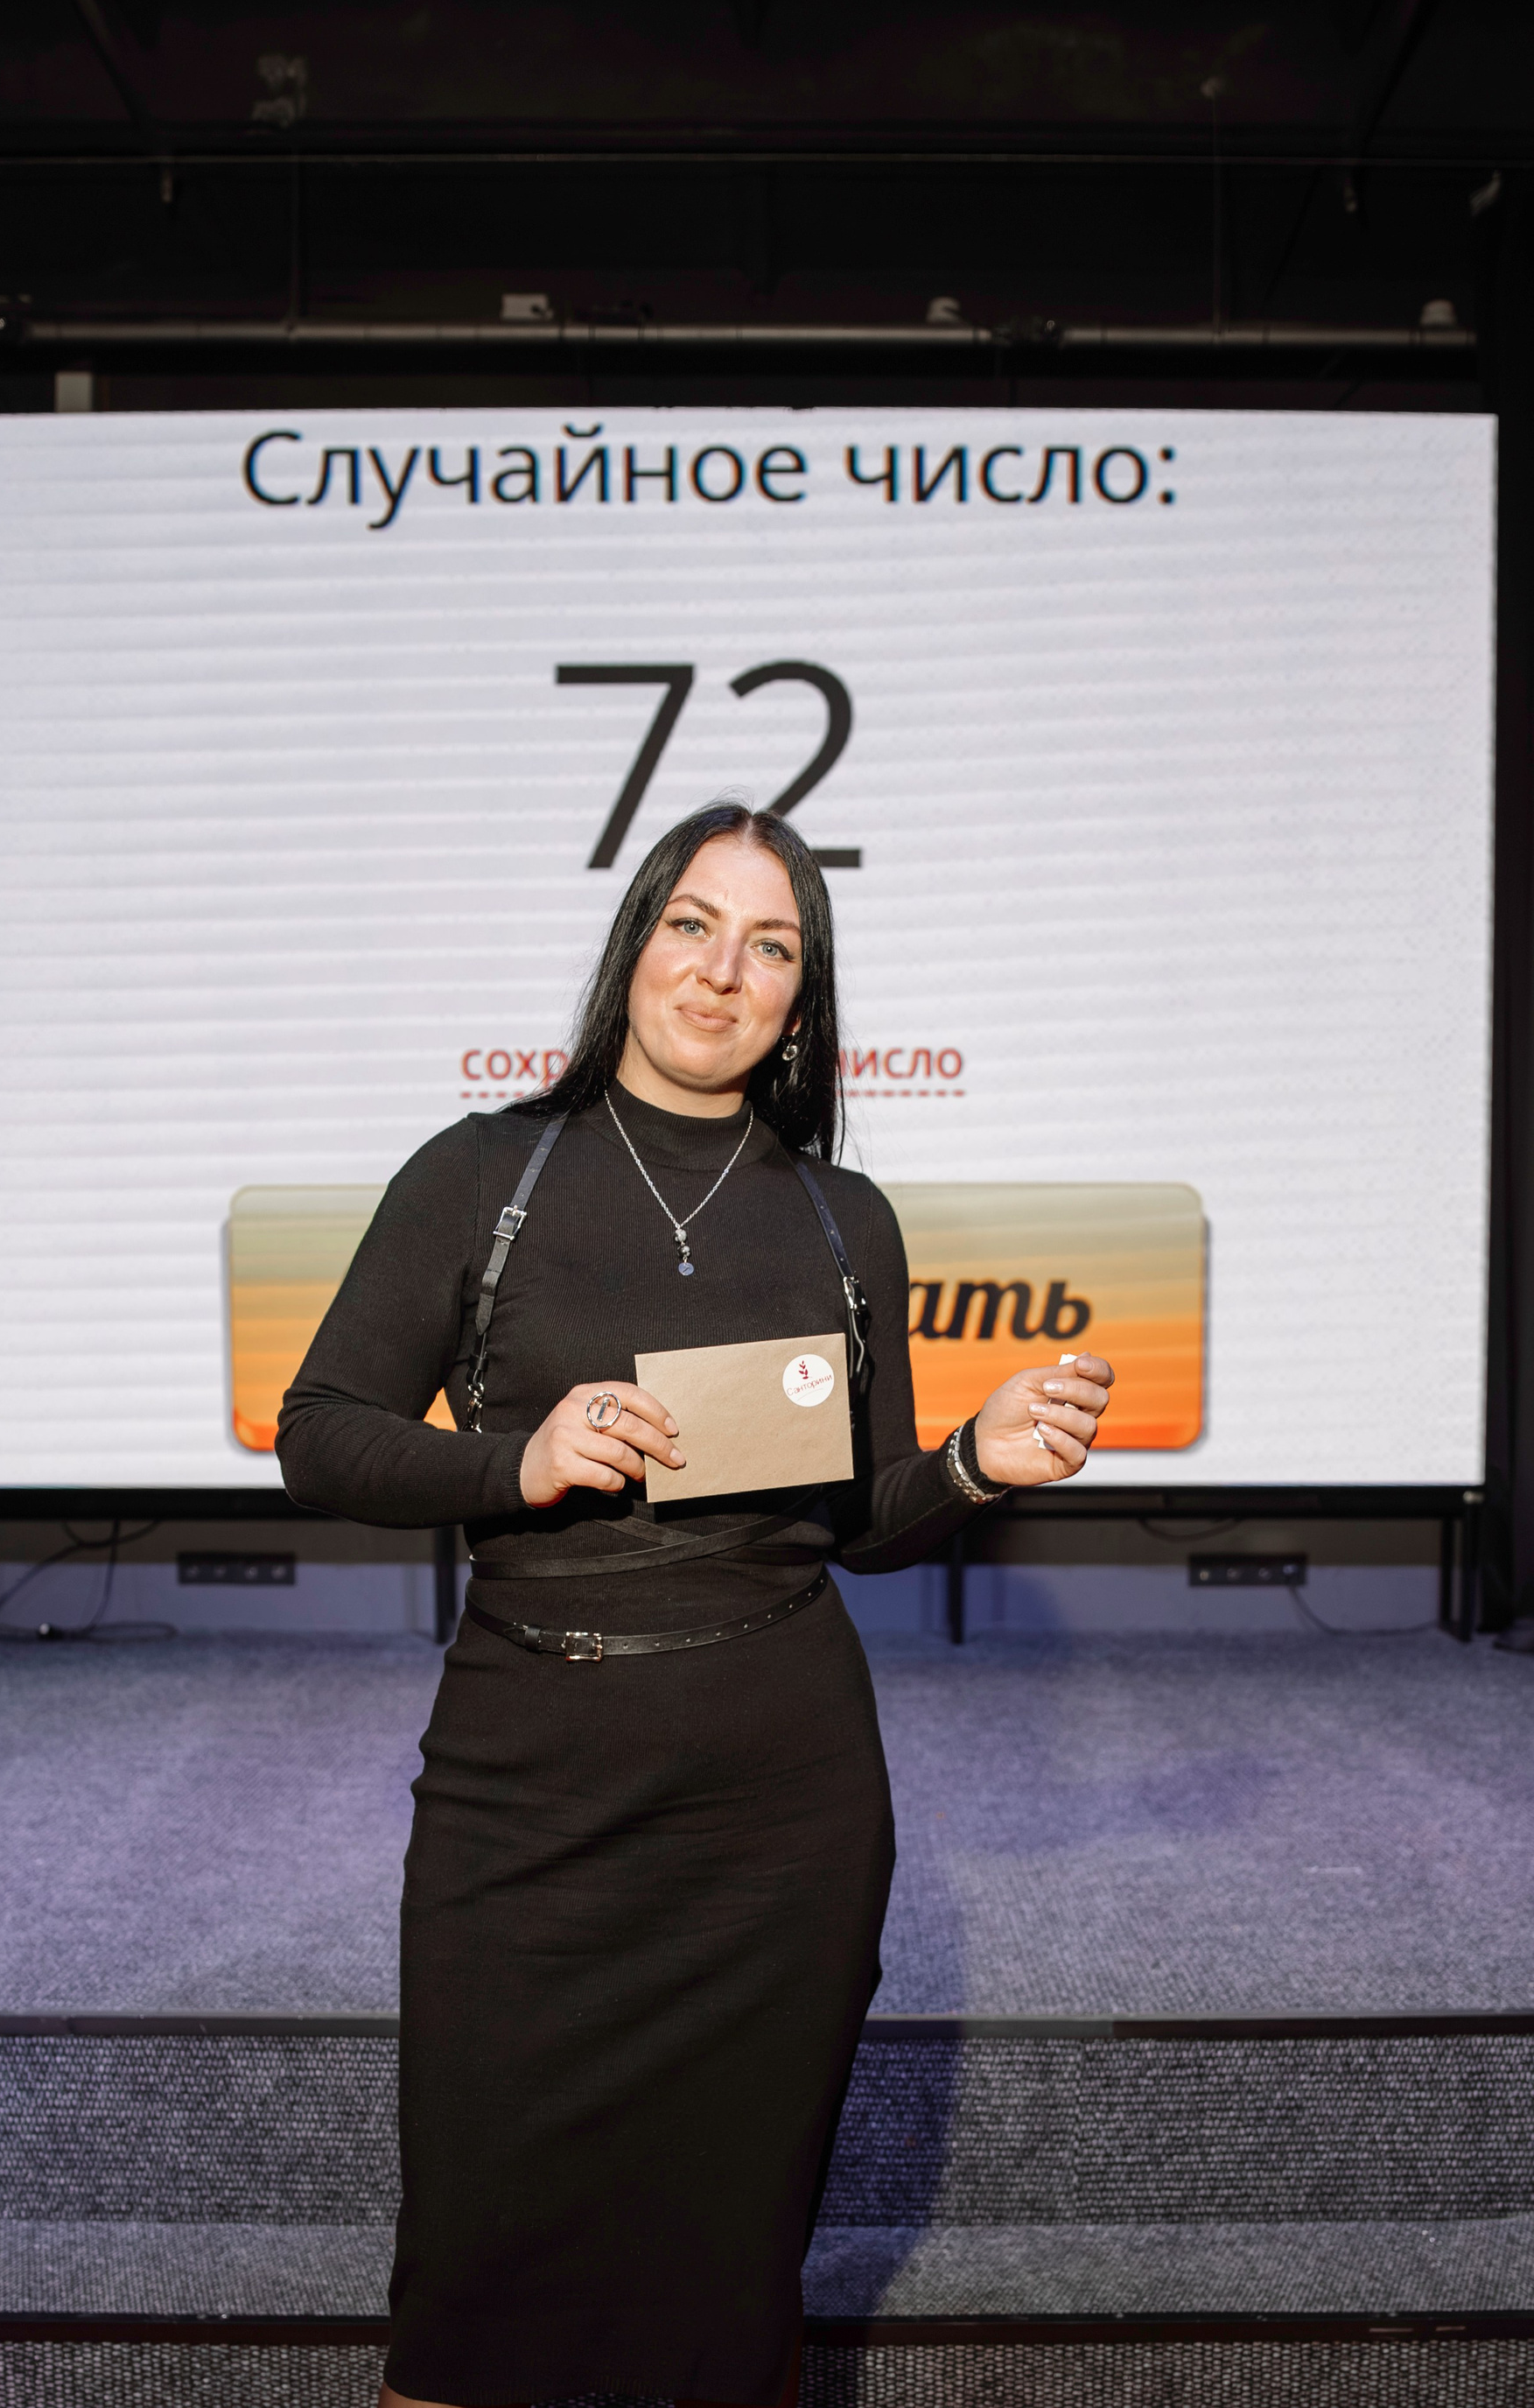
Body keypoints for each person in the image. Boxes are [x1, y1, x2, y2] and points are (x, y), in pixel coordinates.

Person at [277, 802, 1114, 2408]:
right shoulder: (483, 1174)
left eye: (771, 946)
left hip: (779, 1806)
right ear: (636, 944)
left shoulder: (843, 1216)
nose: (723, 972)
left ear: (801, 1001)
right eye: (693, 926)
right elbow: (320, 1435)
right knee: (468, 2280)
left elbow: (860, 1522)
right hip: (532, 1795)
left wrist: (974, 1464)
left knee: (731, 2277)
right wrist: (518, 1462)